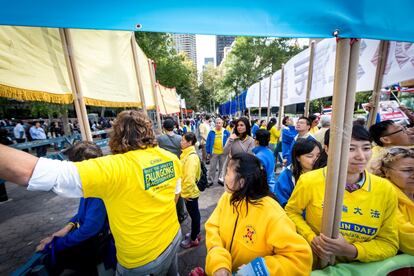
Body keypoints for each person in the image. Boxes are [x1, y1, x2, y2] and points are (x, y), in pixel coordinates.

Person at [0, 110, 183, 275]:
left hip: (141, 259)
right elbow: (174, 197)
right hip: (172, 237)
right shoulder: (170, 158)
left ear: (117, 135)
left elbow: (29, 172)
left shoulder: (114, 167)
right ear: (149, 131)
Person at [286, 125, 399, 265]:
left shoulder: (385, 189)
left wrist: (350, 250)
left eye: (366, 148)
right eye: (350, 149)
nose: (361, 156)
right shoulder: (309, 181)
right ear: (327, 149)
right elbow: (291, 212)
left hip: (360, 268)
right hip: (318, 265)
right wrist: (311, 238)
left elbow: (389, 244)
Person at [205, 153, 312, 275]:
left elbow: (300, 258)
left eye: (228, 173)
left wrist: (259, 270)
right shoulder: (227, 198)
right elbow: (213, 227)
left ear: (241, 182)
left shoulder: (273, 214)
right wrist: (219, 265)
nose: (224, 177)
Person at [36, 142, 115, 275]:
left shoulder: (98, 189)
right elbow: (82, 214)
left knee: (49, 259)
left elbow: (90, 228)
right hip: (93, 239)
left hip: (100, 245)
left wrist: (55, 244)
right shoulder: (92, 182)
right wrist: (66, 228)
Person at [370, 147, 414, 255]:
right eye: (407, 170)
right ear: (386, 171)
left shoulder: (410, 192)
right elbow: (406, 237)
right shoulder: (382, 195)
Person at [274, 139, 322, 208]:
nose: (315, 159)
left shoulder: (323, 172)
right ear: (298, 158)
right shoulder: (287, 176)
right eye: (310, 156)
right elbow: (283, 203)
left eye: (318, 156)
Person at [157, 118, 187, 223]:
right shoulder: (180, 138)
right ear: (174, 126)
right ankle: (181, 213)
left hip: (165, 168)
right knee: (178, 191)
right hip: (178, 165)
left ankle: (170, 213)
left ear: (164, 127)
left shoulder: (160, 139)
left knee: (169, 191)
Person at [179, 132, 202, 249]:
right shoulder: (186, 154)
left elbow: (189, 179)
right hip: (190, 192)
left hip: (190, 193)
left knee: (194, 215)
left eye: (183, 140)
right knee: (194, 215)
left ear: (189, 143)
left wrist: (185, 194)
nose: (180, 142)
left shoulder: (191, 157)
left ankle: (193, 239)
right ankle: (195, 233)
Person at [206, 117, 230, 186]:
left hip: (223, 153)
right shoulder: (211, 132)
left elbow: (229, 142)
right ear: (215, 124)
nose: (218, 124)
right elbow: (208, 142)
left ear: (222, 124)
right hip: (214, 153)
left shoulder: (226, 132)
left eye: (220, 123)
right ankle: (210, 180)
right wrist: (208, 152)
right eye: (217, 123)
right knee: (212, 167)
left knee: (222, 167)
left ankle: (221, 179)